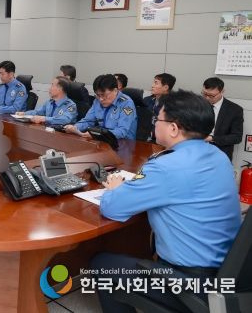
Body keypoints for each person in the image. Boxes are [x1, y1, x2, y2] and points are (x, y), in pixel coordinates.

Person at [91, 90, 241, 313]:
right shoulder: (219, 156)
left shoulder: (166, 166)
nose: (154, 124)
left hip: (189, 283)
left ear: (173, 128)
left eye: (157, 119)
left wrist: (114, 189)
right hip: (227, 273)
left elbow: (112, 208)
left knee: (102, 264)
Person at [64, 74, 137, 140]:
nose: (101, 99)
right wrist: (75, 127)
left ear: (115, 90)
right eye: (98, 95)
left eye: (104, 95)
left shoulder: (126, 103)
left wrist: (97, 135)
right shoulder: (97, 101)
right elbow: (88, 121)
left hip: (124, 143)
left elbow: (121, 131)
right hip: (103, 141)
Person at [201, 77, 244, 160]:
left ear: (222, 92)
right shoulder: (198, 105)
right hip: (198, 149)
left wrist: (212, 138)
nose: (207, 98)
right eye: (204, 94)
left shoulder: (235, 110)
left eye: (211, 95)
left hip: (220, 153)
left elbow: (237, 137)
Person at [143, 73, 176, 141]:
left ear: (165, 87)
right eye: (153, 83)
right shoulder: (147, 100)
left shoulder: (172, 105)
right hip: (144, 137)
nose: (152, 86)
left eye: (156, 83)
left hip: (161, 140)